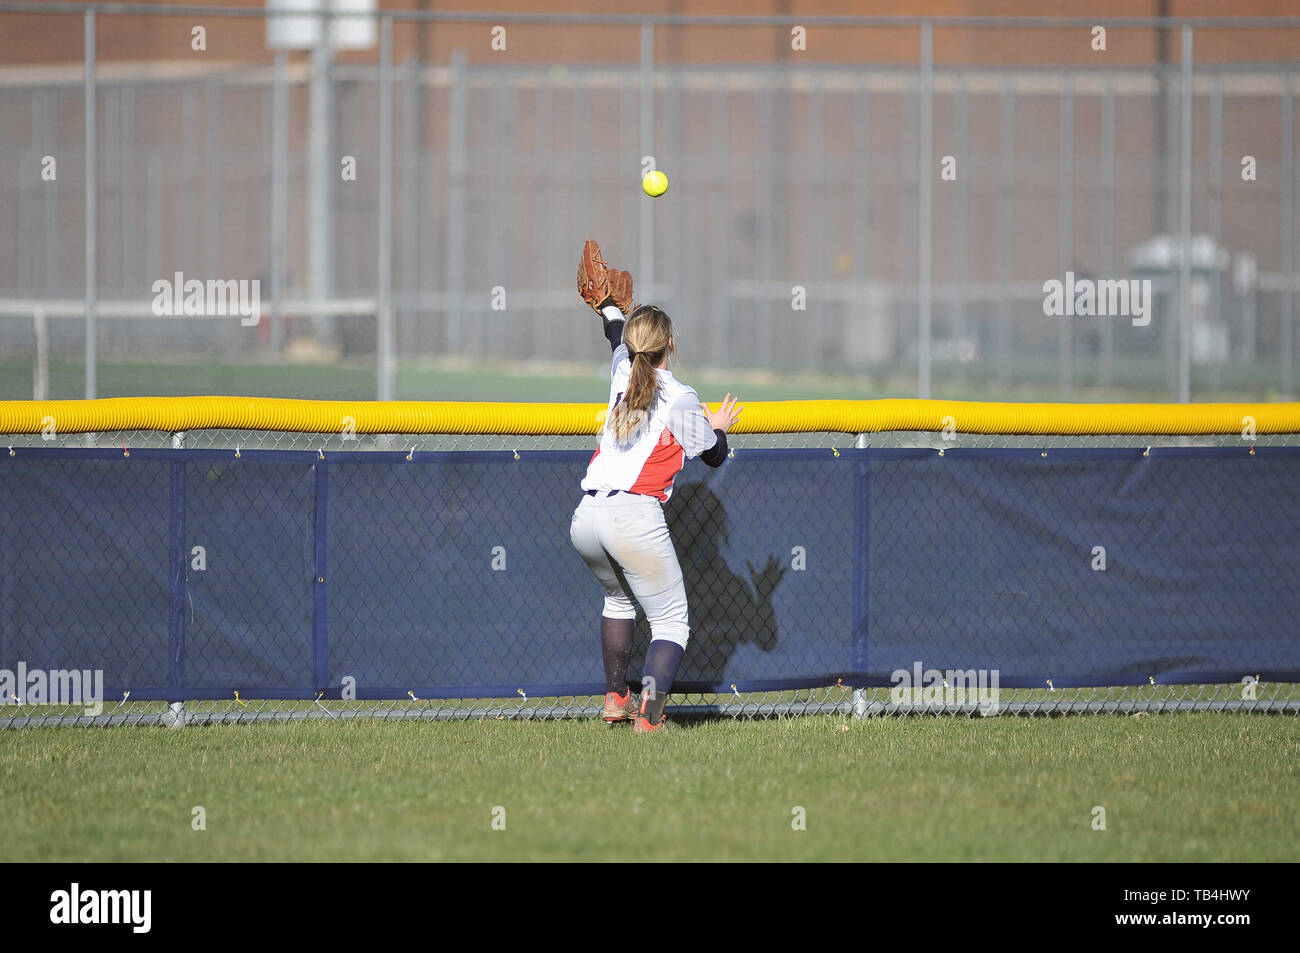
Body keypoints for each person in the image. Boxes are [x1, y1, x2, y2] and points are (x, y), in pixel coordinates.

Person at [569, 301, 742, 733]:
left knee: (618, 600)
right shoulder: (680, 398)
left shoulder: (621, 372)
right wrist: (718, 425)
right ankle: (649, 719)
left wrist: (610, 308)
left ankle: (615, 698)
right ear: (669, 344)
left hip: (586, 517)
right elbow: (715, 456)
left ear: (631, 347)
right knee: (671, 623)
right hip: (633, 517)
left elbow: (615, 335)